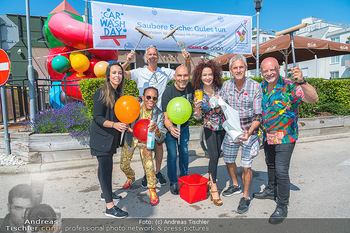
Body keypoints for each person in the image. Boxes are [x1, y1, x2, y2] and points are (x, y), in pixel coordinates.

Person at [254, 57, 319, 224]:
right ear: (261, 72)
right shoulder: (261, 87)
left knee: (281, 170)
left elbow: (313, 99)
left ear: (278, 68)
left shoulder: (291, 85)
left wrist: (303, 81)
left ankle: (282, 204)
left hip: (286, 136)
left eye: (272, 69)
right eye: (265, 71)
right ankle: (270, 189)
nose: (269, 73)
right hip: (268, 134)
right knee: (270, 164)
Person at [121, 46, 191, 188]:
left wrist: (187, 60)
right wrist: (127, 61)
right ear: (146, 57)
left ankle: (158, 171)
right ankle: (148, 174)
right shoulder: (139, 72)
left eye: (154, 54)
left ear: (157, 56)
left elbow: (183, 74)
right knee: (145, 146)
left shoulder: (165, 72)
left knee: (159, 145)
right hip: (143, 115)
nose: (152, 56)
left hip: (160, 115)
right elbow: (120, 73)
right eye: (150, 54)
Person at [219, 54, 262, 214]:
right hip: (231, 130)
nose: (238, 70)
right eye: (235, 67)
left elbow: (258, 115)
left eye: (241, 67)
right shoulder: (226, 86)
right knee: (228, 160)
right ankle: (236, 185)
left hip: (249, 131)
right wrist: (215, 103)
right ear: (230, 70)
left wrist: (249, 132)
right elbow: (221, 108)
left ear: (246, 68)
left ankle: (245, 196)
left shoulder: (255, 87)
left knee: (246, 166)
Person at [89, 62, 128, 219]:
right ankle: (110, 208)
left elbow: (119, 115)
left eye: (119, 73)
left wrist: (126, 126)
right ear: (108, 75)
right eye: (114, 73)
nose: (117, 75)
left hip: (111, 137)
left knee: (102, 168)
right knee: (106, 170)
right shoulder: (102, 92)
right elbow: (97, 117)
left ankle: (105, 194)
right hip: (101, 138)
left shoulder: (118, 93)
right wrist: (114, 125)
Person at [119, 87, 167, 206]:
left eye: (154, 98)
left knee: (149, 165)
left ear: (157, 100)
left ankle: (152, 189)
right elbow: (123, 113)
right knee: (123, 165)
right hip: (131, 138)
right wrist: (128, 127)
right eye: (148, 97)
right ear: (143, 97)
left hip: (146, 141)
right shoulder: (135, 106)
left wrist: (157, 130)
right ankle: (130, 176)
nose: (151, 100)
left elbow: (161, 137)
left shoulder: (159, 114)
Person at [192, 60, 225, 206]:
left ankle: (211, 180)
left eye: (210, 74)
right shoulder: (198, 93)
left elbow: (225, 109)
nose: (207, 77)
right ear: (200, 76)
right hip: (209, 128)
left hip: (223, 127)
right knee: (213, 155)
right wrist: (197, 108)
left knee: (218, 154)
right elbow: (198, 117)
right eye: (204, 75)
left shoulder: (220, 89)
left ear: (214, 75)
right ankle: (214, 187)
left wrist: (218, 108)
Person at [161, 65, 193, 195]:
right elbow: (166, 117)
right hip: (170, 129)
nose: (182, 78)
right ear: (174, 77)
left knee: (184, 153)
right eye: (179, 75)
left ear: (188, 76)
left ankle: (184, 177)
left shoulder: (191, 87)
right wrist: (170, 127)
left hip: (184, 127)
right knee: (173, 155)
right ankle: (173, 181)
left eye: (185, 75)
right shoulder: (168, 93)